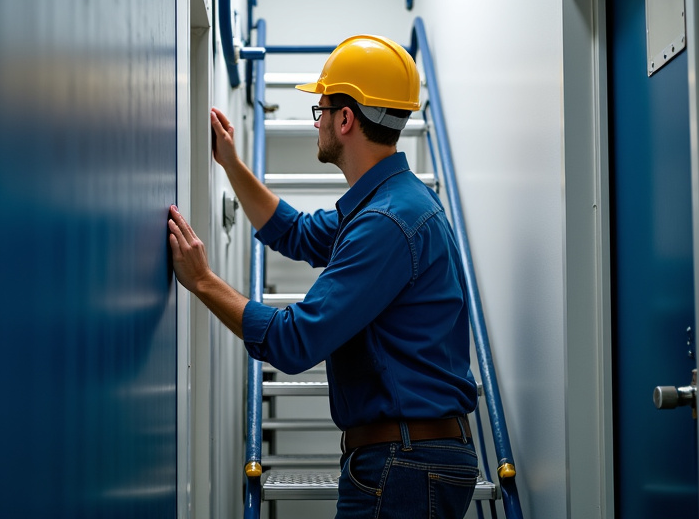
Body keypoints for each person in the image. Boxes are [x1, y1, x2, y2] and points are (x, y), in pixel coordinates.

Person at [168, 34, 478, 518]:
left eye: (321, 110)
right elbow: (293, 232)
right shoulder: (393, 204)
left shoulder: (385, 224)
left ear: (346, 119)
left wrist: (203, 280)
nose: (318, 123)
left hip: (404, 464)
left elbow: (293, 342)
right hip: (411, 459)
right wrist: (229, 162)